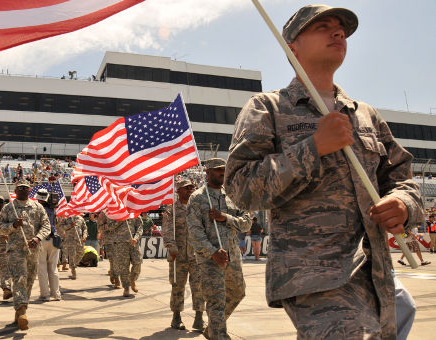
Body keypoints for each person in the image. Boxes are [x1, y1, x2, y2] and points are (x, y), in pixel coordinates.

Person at [224, 5, 424, 338]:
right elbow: (240, 186)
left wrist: (404, 204)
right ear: (293, 46)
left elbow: (401, 178)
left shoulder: (365, 115)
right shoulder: (267, 108)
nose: (338, 33)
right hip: (316, 278)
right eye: (323, 27)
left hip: (376, 275)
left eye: (342, 29)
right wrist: (313, 147)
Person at [188, 158, 251, 340]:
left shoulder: (233, 196)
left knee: (238, 292)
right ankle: (219, 335)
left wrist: (226, 217)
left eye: (224, 170)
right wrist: (212, 252)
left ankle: (212, 329)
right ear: (207, 172)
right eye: (217, 170)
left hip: (232, 256)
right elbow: (195, 232)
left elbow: (246, 223)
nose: (222, 173)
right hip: (210, 259)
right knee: (216, 301)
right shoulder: (198, 197)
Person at [0, 179, 51, 330]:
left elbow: (46, 225)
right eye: (19, 187)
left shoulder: (37, 207)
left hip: (32, 250)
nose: (22, 189)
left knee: (29, 280)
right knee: (20, 278)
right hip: (15, 249)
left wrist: (37, 238)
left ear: (29, 190)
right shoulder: (9, 208)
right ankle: (22, 312)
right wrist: (13, 226)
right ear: (15, 190)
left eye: (25, 187)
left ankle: (20, 314)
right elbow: (0, 228)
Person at [161, 179, 205, 331]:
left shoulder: (197, 208)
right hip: (177, 256)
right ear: (178, 191)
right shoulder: (170, 210)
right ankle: (176, 317)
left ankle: (199, 317)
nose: (190, 190)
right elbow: (167, 230)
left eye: (192, 187)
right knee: (177, 287)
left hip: (196, 255)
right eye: (186, 188)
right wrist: (171, 246)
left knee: (198, 286)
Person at [99, 212, 143, 297]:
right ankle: (126, 287)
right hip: (120, 243)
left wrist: (136, 238)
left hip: (133, 242)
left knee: (138, 262)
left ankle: (132, 280)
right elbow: (110, 226)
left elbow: (140, 227)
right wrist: (120, 220)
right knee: (123, 266)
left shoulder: (134, 211)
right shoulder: (114, 213)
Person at [35, 189, 62, 301]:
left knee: (42, 268)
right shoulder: (52, 209)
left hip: (41, 240)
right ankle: (56, 294)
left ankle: (45, 294)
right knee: (53, 268)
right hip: (53, 239)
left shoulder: (37, 209)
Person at [57, 214, 87, 280]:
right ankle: (73, 270)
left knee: (81, 253)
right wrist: (70, 226)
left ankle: (73, 264)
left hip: (79, 239)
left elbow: (84, 228)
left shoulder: (80, 218)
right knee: (72, 255)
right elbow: (60, 227)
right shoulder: (66, 217)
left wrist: (84, 236)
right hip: (70, 240)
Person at [98, 211, 120, 289]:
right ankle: (117, 280)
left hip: (120, 240)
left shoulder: (120, 210)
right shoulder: (103, 214)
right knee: (113, 260)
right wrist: (112, 225)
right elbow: (100, 227)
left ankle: (112, 273)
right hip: (109, 241)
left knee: (118, 260)